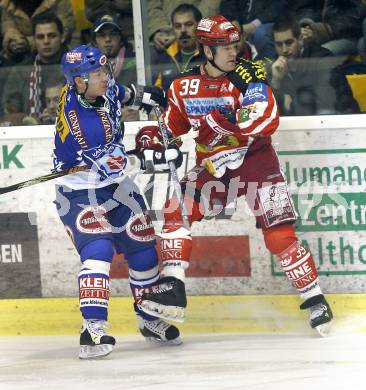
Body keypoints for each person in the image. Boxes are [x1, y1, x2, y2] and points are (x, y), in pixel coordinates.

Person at [136, 15, 333, 336]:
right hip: (214, 168)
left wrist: (224, 123)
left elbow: (265, 118)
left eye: (234, 44)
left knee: (280, 236)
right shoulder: (183, 84)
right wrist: (150, 139)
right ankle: (172, 287)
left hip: (257, 162)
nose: (232, 51)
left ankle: (315, 299)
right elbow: (170, 125)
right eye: (222, 46)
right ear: (206, 50)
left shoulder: (249, 74)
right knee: (176, 209)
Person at [54, 45, 183, 359]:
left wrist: (139, 95)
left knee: (143, 249)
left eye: (103, 70)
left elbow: (118, 92)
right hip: (80, 192)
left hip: (116, 187)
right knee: (99, 252)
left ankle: (149, 319)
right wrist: (149, 155)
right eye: (96, 74)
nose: (104, 77)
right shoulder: (82, 124)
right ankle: (92, 331)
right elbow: (114, 161)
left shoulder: (94, 87)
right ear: (78, 82)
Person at [2, 11, 68, 124]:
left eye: (51, 36)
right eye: (40, 37)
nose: (46, 41)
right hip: (30, 134)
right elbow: (7, 113)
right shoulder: (20, 72)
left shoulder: (79, 67)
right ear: (34, 40)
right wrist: (29, 120)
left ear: (62, 37)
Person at [270, 15, 336, 116]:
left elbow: (325, 104)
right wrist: (276, 82)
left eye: (289, 42)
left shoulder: (322, 59)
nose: (284, 50)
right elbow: (267, 114)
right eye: (279, 44)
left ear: (300, 39)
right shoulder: (275, 67)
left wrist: (290, 104)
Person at [151, 4, 204, 91]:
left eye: (189, 24)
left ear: (200, 25)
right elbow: (157, 93)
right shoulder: (164, 58)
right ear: (172, 28)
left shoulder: (210, 54)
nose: (183, 30)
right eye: (178, 26)